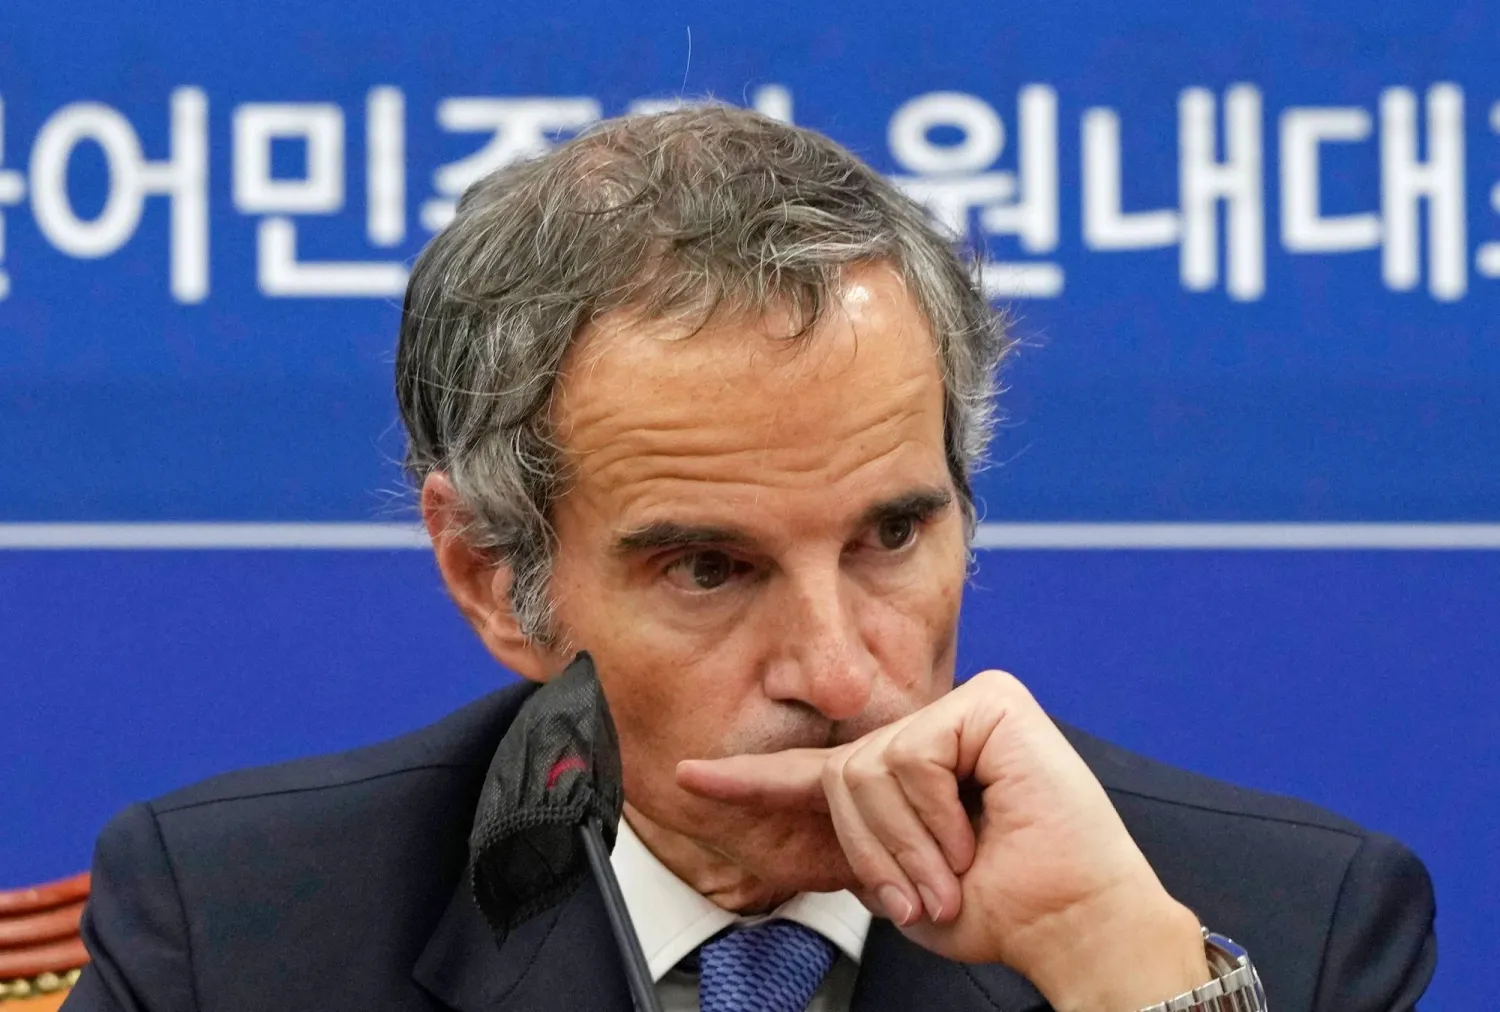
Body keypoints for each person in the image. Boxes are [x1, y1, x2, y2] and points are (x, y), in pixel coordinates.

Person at [66, 106, 1434, 1012]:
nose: (842, 676)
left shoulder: (1277, 931)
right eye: (710, 569)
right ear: (495, 576)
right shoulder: (239, 935)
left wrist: (1122, 980)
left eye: (894, 535)